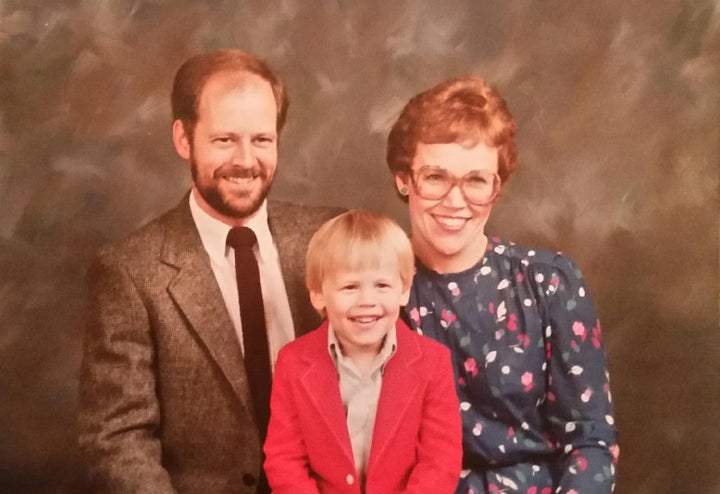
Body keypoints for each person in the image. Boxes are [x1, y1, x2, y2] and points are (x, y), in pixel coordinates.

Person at [78, 49, 342, 494]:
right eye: (224, 140)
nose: (245, 160)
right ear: (184, 139)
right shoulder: (129, 271)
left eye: (261, 139)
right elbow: (117, 440)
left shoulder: (329, 237)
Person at [386, 77, 619, 493]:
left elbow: (589, 440)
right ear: (404, 179)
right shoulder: (375, 290)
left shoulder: (549, 282)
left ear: (497, 187)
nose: (455, 201)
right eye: (436, 176)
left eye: (476, 181)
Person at [263, 210, 462, 494]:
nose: (367, 300)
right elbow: (284, 459)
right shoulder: (293, 361)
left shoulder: (433, 361)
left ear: (404, 290)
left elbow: (440, 461)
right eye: (349, 287)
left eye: (382, 285)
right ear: (318, 294)